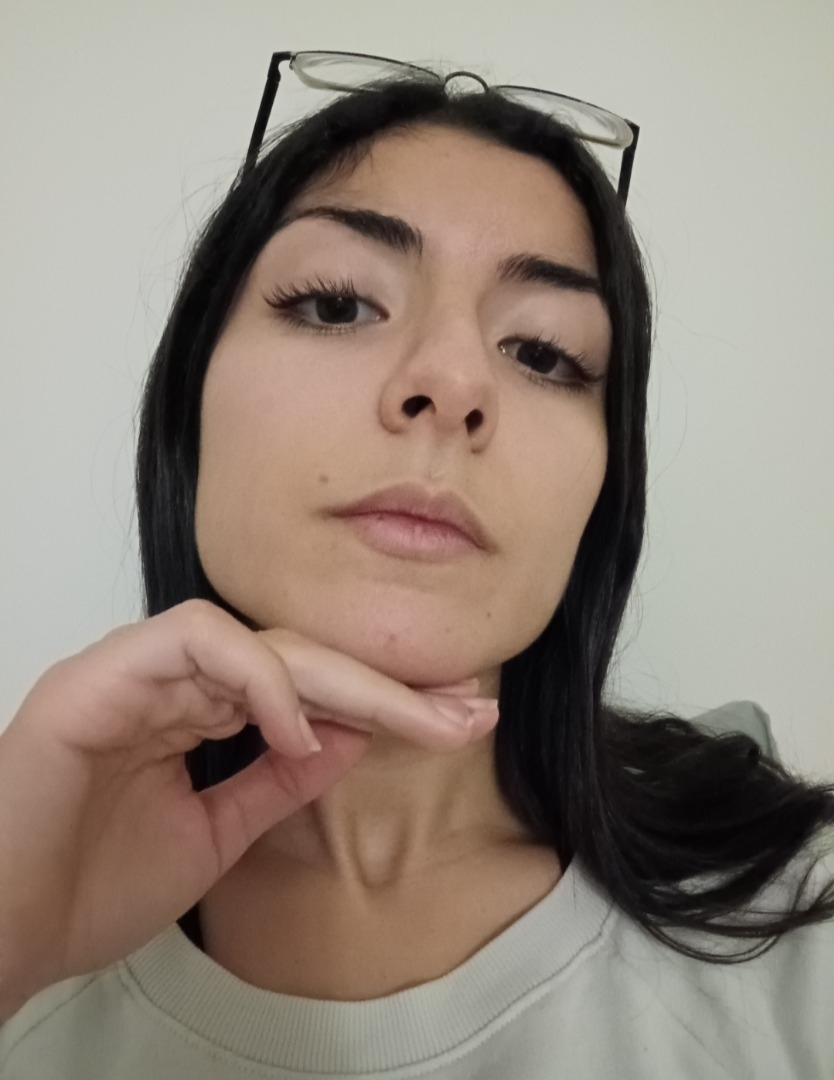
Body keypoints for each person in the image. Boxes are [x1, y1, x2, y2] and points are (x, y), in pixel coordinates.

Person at [1, 51, 833, 1078]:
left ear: (603, 493)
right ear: (189, 405)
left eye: (543, 353)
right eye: (337, 304)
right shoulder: (26, 952)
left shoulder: (798, 934)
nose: (451, 382)